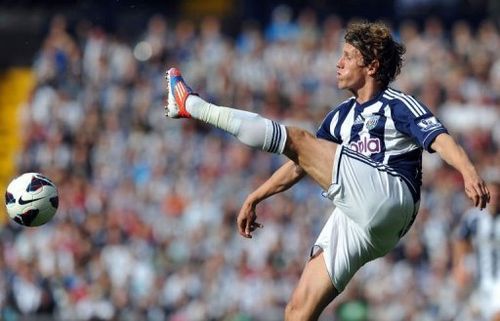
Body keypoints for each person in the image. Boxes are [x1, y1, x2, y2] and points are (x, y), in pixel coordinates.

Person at [164, 21, 490, 321]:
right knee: (297, 310)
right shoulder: (338, 117)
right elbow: (301, 163)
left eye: (348, 56)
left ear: (372, 66)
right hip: (362, 220)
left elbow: (439, 138)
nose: (339, 62)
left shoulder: (397, 105)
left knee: (299, 138)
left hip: (391, 195)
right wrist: (256, 196)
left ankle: (192, 105)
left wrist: (468, 171)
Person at [453, 180, 500, 321]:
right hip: (479, 280)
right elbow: (461, 239)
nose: (495, 199)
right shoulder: (473, 218)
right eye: (492, 195)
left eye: (498, 196)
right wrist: (459, 266)